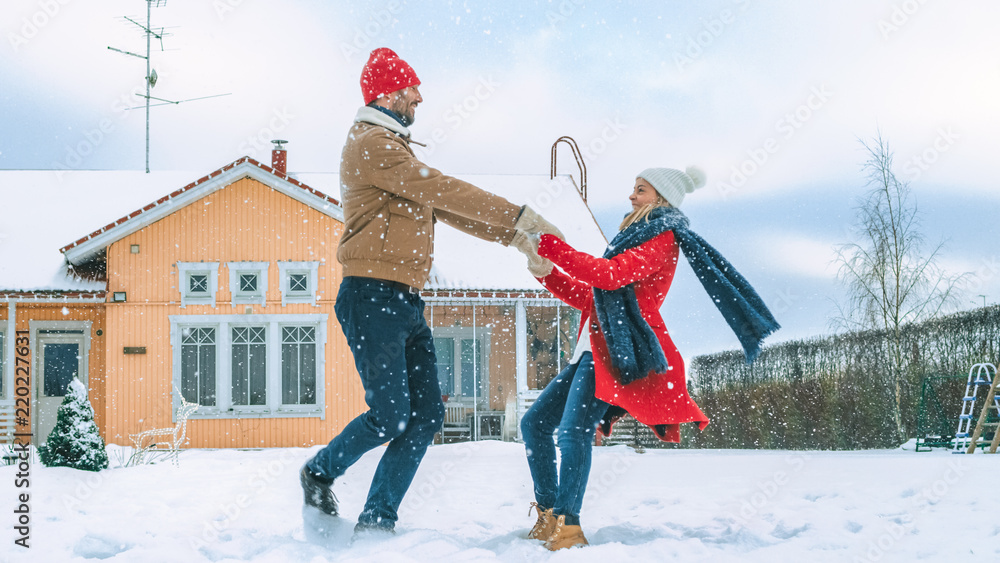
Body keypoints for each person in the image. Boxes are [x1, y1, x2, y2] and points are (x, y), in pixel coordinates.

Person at [300, 47, 562, 535]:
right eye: (411, 88)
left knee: (424, 417)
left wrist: (517, 239)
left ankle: (378, 517)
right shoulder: (371, 144)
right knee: (391, 416)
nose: (419, 96)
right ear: (386, 93)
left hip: (403, 299)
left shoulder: (395, 150)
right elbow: (442, 189)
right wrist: (518, 215)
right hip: (370, 295)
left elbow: (448, 209)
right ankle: (319, 471)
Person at [512, 166, 780, 550]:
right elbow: (592, 299)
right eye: (633, 188)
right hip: (590, 349)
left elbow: (607, 276)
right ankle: (551, 514)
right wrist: (544, 269)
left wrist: (554, 245)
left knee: (574, 432)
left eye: (641, 189)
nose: (632, 196)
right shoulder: (630, 238)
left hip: (613, 352)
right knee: (535, 424)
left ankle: (568, 527)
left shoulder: (662, 237)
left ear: (662, 198)